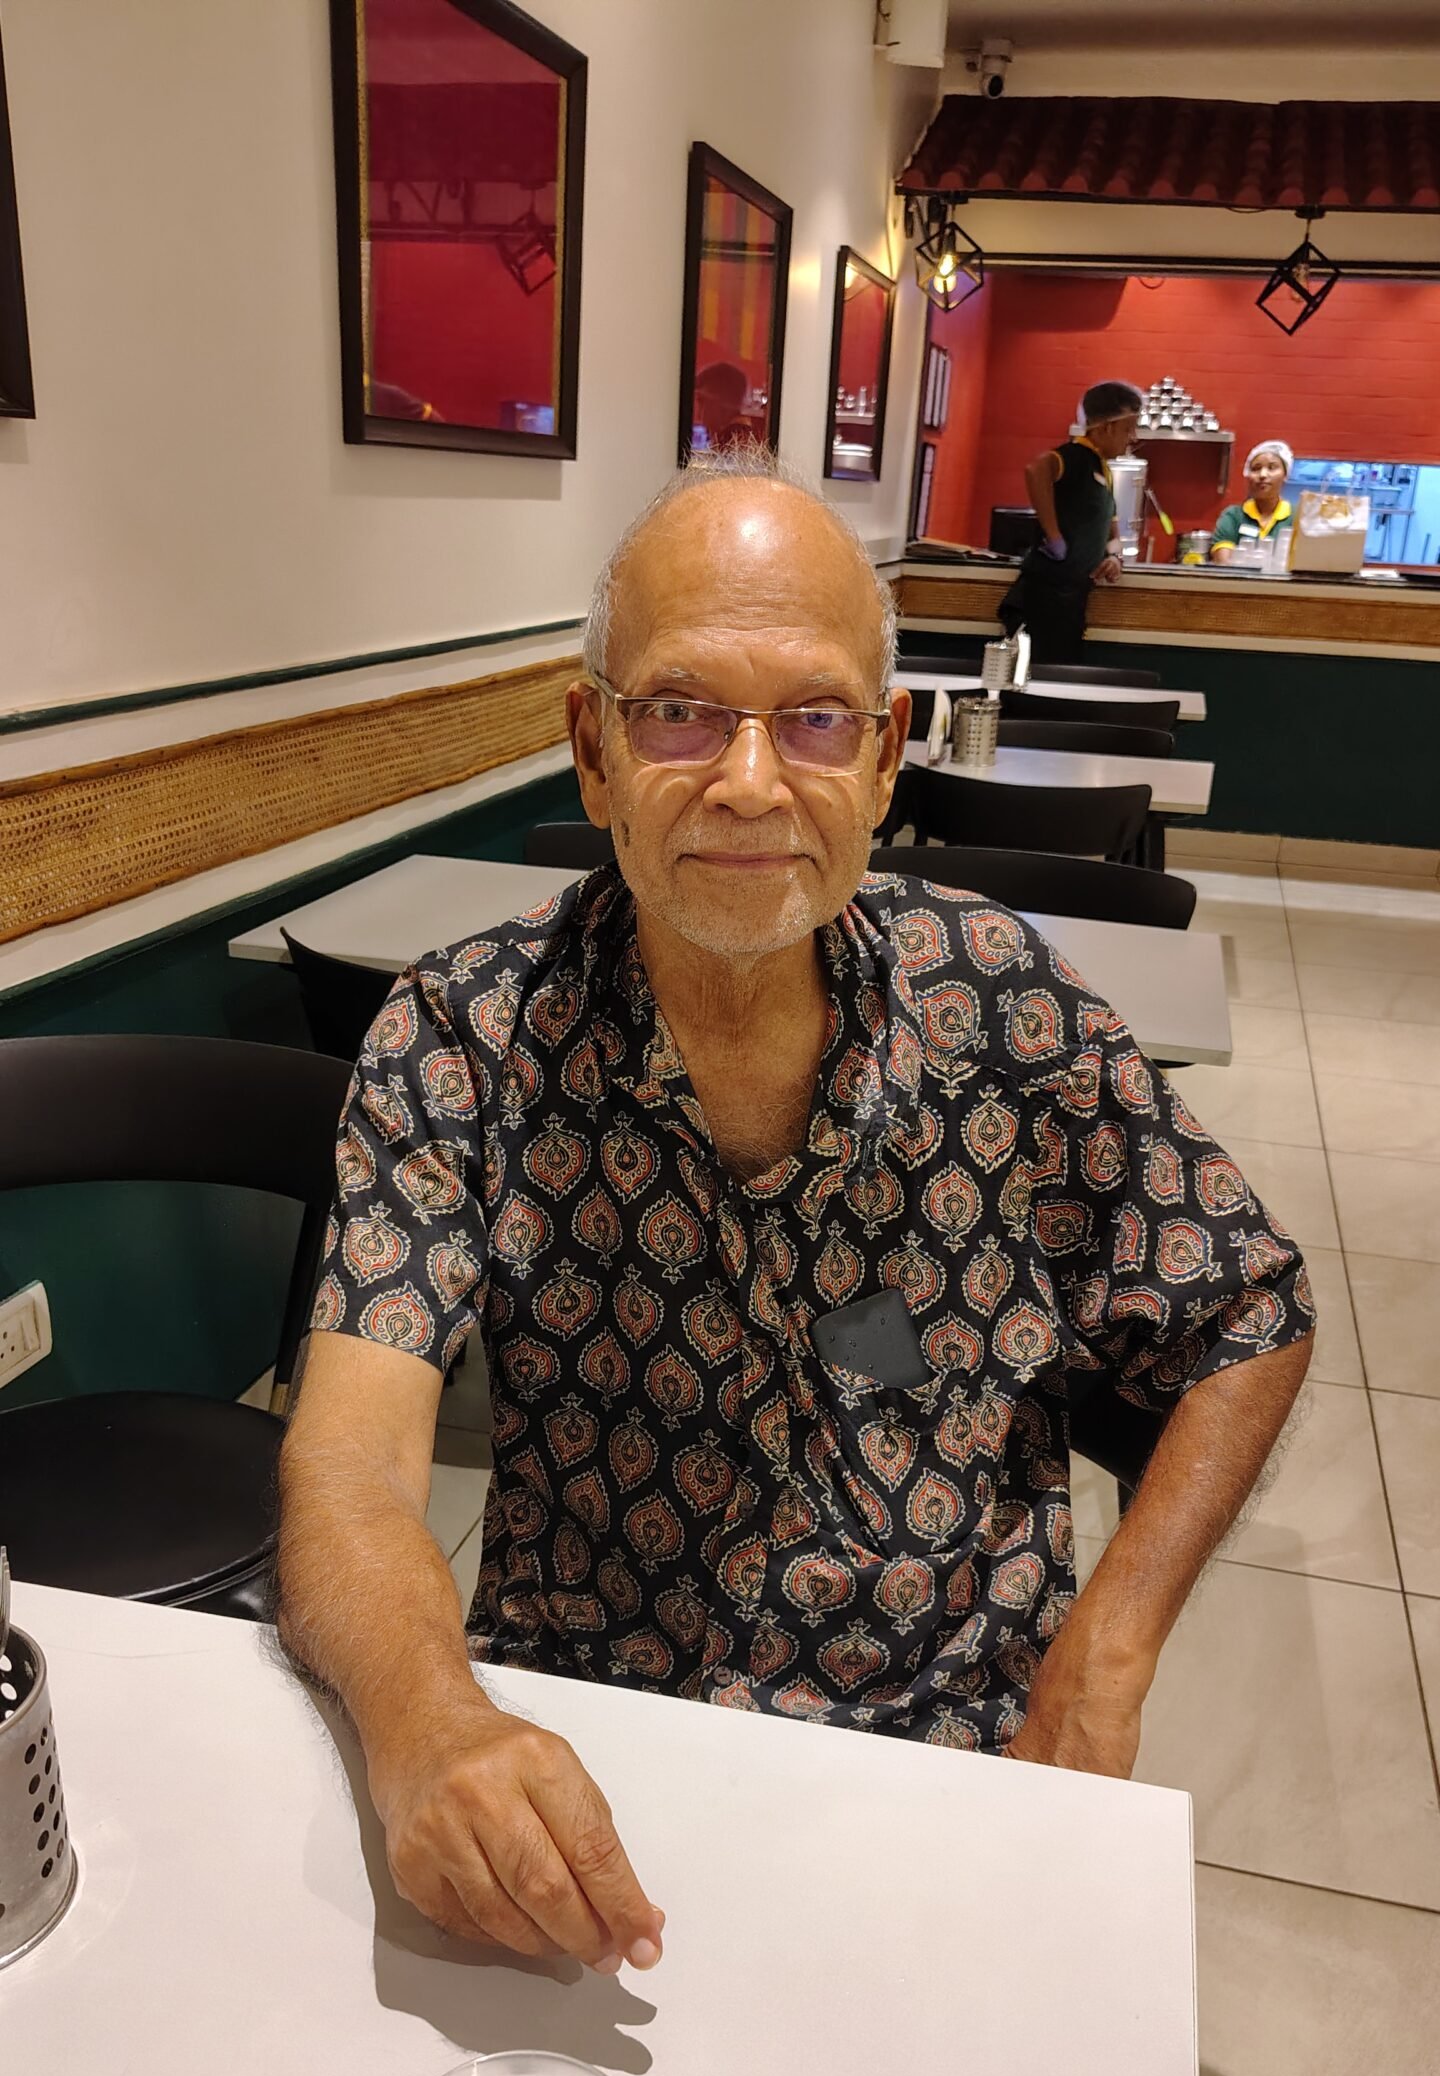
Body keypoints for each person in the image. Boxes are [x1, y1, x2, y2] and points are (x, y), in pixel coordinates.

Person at [277, 449, 1314, 1971]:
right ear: (592, 747)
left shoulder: (1000, 1003)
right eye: (682, 710)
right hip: (598, 1730)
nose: (751, 781)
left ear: (888, 757)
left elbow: (1248, 1314)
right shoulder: (465, 1040)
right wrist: (433, 1722)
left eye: (816, 717)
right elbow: (351, 1469)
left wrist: (1111, 1642)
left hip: (949, 1735)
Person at [999, 380, 1143, 661]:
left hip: (1072, 597)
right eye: (1129, 429)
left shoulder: (1104, 470)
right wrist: (1054, 537)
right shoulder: (1075, 456)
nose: (1133, 438)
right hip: (1044, 596)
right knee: (1036, 681)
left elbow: (1110, 524)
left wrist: (1115, 556)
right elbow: (1036, 469)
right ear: (1107, 427)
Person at [1211, 441, 1295, 560]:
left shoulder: (1297, 518)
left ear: (1285, 474)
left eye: (1272, 467)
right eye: (1256, 468)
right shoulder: (1233, 516)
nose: (1262, 475)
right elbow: (1223, 564)